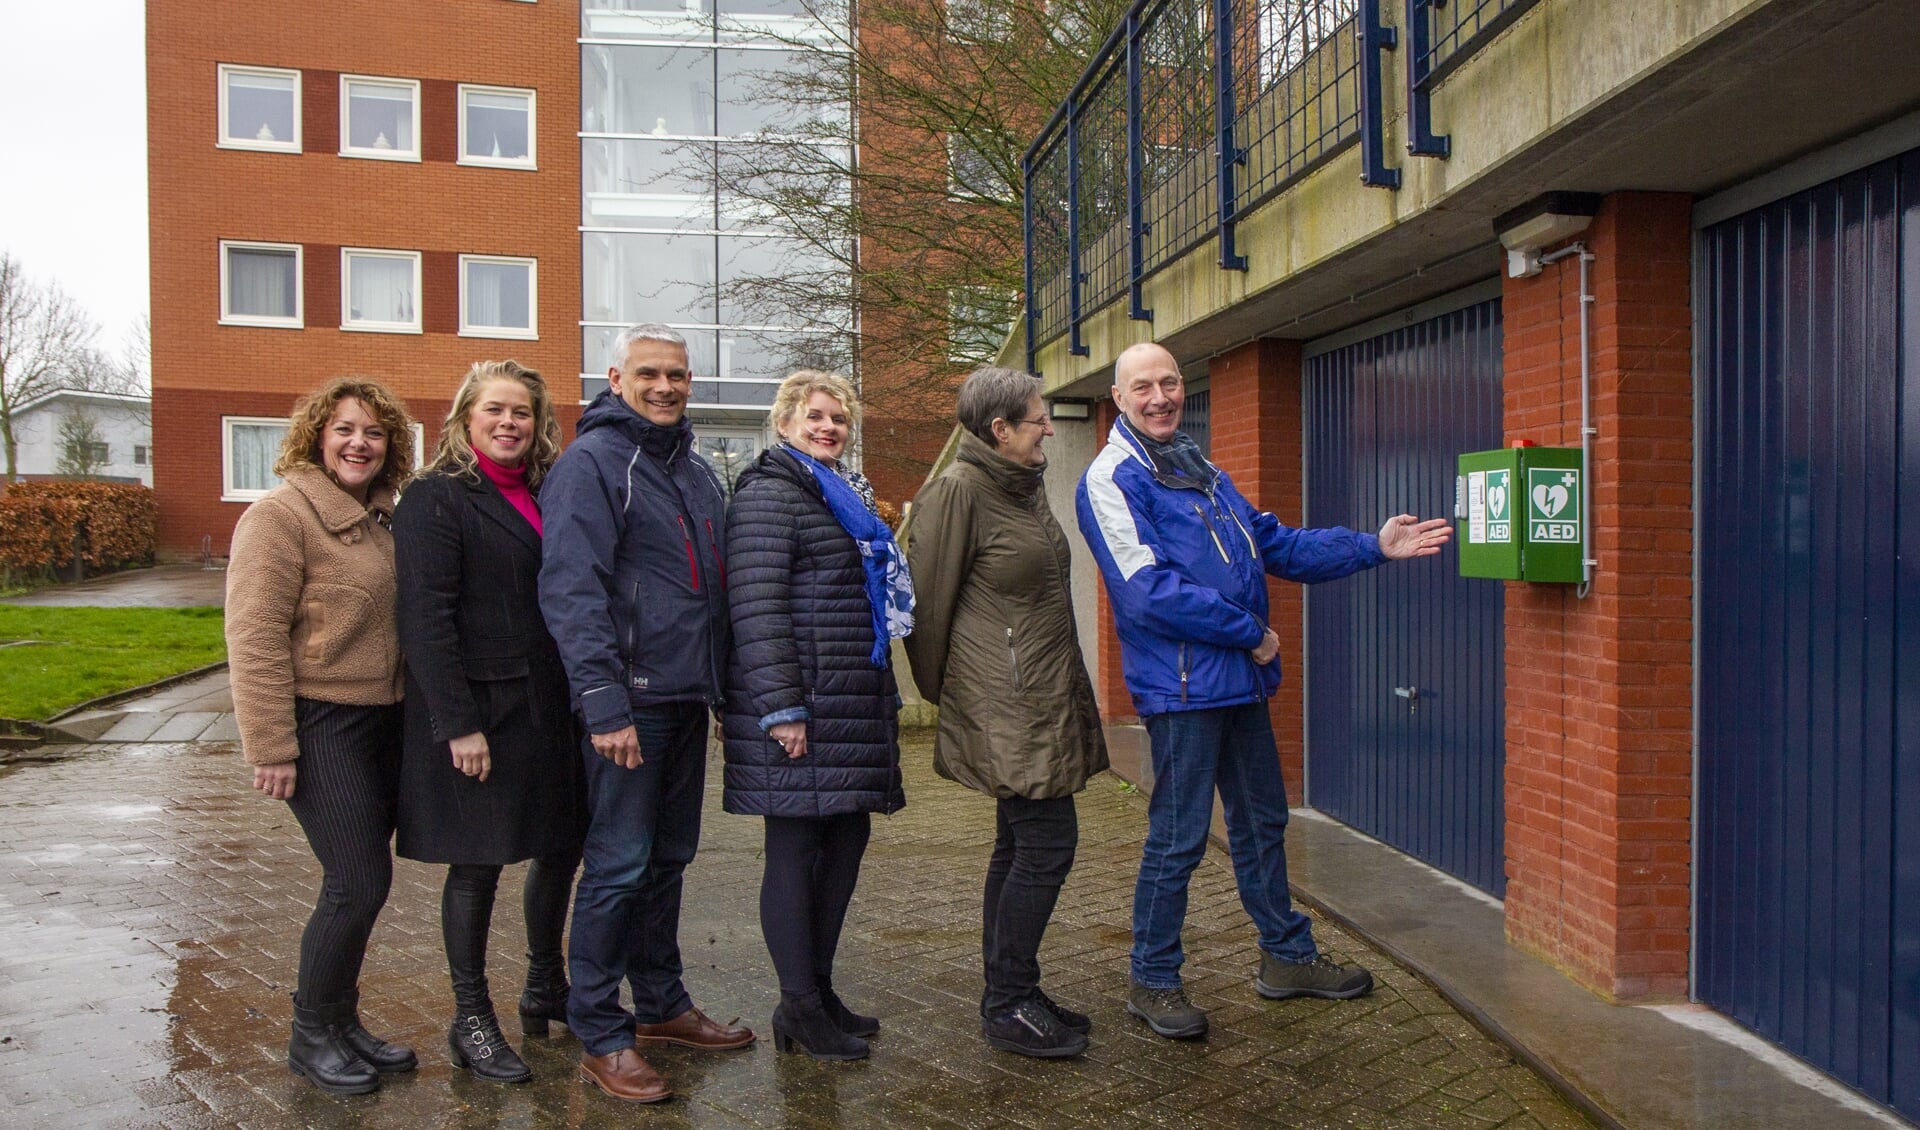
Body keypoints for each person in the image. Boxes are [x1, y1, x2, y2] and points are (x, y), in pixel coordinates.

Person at [1075, 342, 1452, 1040]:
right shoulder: (1111, 478)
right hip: (1185, 689)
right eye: (1143, 388)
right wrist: (1247, 633)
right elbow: (1145, 592)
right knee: (1179, 839)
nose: (1160, 397)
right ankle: (1152, 979)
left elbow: (1269, 543)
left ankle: (1287, 957)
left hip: (1238, 684)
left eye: (1170, 382)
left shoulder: (1195, 463)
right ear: (1119, 398)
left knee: (1263, 822)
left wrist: (1372, 545)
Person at [537, 324, 753, 1104]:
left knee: (668, 860)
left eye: (679, 375)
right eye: (651, 374)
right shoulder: (593, 464)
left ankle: (661, 1005)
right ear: (616, 377)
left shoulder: (694, 472)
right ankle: (599, 1029)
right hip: (628, 707)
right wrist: (603, 703)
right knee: (620, 865)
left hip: (684, 701)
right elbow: (572, 589)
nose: (666, 387)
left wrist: (723, 691)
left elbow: (713, 595)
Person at [903, 368, 1108, 1059]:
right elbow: (926, 612)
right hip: (1008, 704)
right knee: (1048, 845)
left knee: (1018, 844)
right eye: (1038, 418)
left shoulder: (1022, 485)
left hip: (1040, 694)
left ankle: (1014, 988)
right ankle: (1007, 1002)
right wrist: (960, 700)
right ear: (1000, 430)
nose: (1049, 427)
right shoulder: (958, 492)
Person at [393, 361, 585, 1084]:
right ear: (465, 419)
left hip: (549, 708)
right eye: (495, 411)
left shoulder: (545, 492)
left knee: (560, 844)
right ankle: (470, 1016)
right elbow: (425, 619)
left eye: (523, 414)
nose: (510, 423)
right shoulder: (435, 499)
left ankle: (544, 983)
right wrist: (456, 724)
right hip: (483, 712)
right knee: (476, 864)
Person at [226, 377, 418, 1095]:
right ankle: (311, 1033)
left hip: (384, 721)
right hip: (320, 721)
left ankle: (341, 1022)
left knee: (368, 880)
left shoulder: (385, 519)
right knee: (356, 879)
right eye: (344, 429)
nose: (359, 443)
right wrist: (271, 746)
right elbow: (253, 639)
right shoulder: (280, 517)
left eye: (373, 432)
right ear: (316, 438)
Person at [721, 370, 911, 1062]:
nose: (829, 428)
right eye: (817, 416)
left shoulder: (838, 498)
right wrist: (780, 708)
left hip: (845, 703)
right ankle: (798, 1004)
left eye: (839, 420)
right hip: (800, 707)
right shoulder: (771, 496)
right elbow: (756, 606)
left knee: (845, 839)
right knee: (796, 849)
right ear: (786, 423)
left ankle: (817, 991)